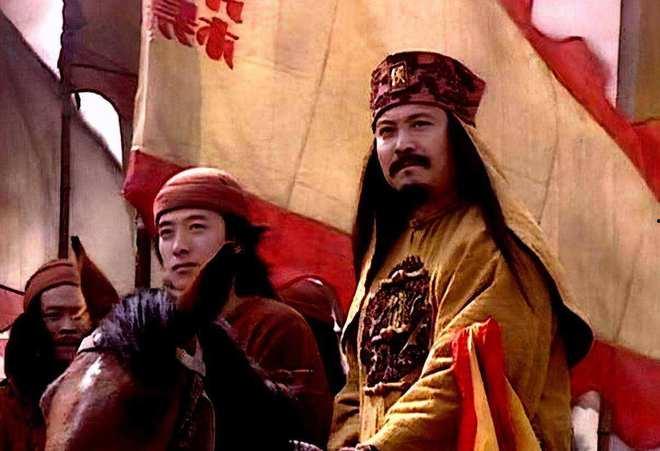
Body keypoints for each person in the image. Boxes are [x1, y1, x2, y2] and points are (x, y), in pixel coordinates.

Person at [328, 51, 593, 451]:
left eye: (420, 124)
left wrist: (379, 448)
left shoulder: (495, 244)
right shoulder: (383, 255)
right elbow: (357, 387)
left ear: (459, 137)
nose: (402, 144)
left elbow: (466, 373)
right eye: (386, 131)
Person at [153, 168, 333, 446]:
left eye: (197, 227)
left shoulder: (277, 325)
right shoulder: (154, 334)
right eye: (166, 233)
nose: (178, 246)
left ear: (235, 240)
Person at [0, 238, 118, 451]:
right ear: (35, 322)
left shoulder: (116, 400)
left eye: (79, 316)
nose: (67, 327)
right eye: (53, 316)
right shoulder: (6, 409)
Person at [278, 276, 347, 395]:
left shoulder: (279, 287)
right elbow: (341, 317)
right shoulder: (320, 283)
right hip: (320, 330)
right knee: (333, 379)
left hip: (299, 328)